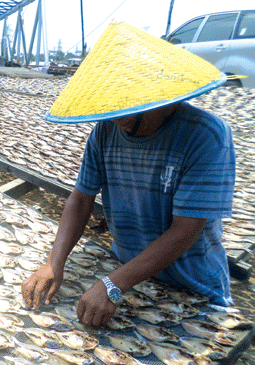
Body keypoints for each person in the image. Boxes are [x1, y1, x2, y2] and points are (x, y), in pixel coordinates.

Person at [21, 22, 236, 327]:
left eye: (130, 109)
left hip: (190, 284)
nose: (118, 119)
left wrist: (112, 284)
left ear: (162, 96)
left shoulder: (206, 136)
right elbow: (81, 199)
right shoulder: (105, 131)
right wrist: (54, 263)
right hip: (126, 268)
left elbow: (186, 229)